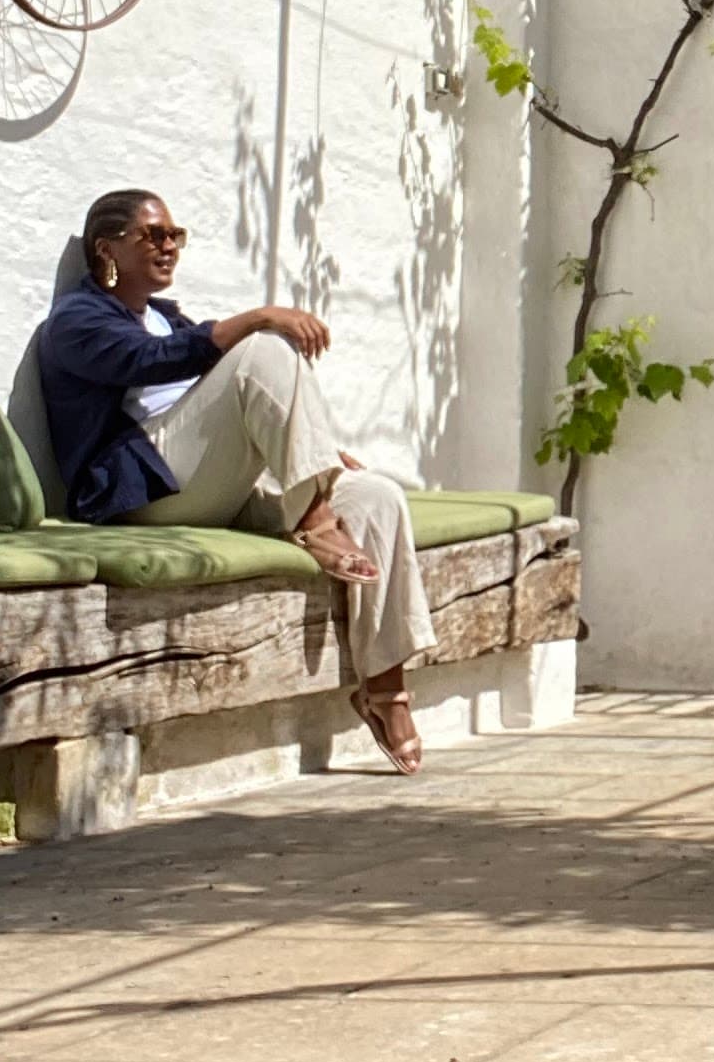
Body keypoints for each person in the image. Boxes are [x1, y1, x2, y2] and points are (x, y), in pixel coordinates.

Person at [39, 188, 429, 774]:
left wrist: (318, 447)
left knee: (377, 494)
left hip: (211, 484)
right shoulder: (76, 318)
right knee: (263, 348)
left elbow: (240, 396)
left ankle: (384, 689)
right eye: (153, 235)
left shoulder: (166, 315)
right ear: (107, 248)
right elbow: (151, 363)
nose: (169, 246)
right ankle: (315, 522)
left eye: (176, 235)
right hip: (143, 494)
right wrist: (255, 318)